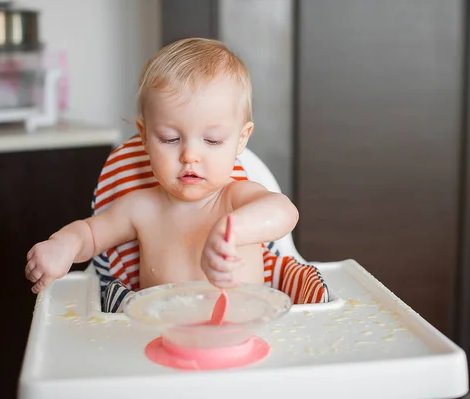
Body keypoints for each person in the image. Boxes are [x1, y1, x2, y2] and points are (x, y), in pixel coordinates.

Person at [24, 37, 299, 295]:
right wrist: (64, 246)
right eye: (170, 139)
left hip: (244, 335)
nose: (190, 155)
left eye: (212, 140)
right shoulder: (141, 208)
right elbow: (90, 234)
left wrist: (233, 229)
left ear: (241, 140)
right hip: (158, 339)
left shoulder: (236, 199)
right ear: (144, 136)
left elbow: (284, 212)